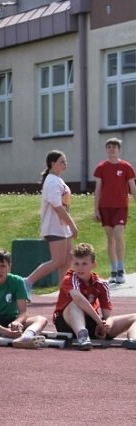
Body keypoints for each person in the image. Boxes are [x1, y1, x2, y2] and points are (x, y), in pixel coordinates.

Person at [52, 243, 136, 351]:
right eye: (76, 263)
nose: (80, 268)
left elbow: (107, 315)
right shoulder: (70, 278)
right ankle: (82, 335)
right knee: (74, 304)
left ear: (94, 264)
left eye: (84, 264)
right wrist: (98, 321)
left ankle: (133, 340)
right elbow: (78, 298)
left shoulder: (101, 283)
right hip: (67, 323)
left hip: (93, 323)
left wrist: (106, 325)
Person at [24, 150, 79, 296]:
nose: (65, 164)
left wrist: (68, 225)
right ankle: (27, 282)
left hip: (62, 227)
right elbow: (58, 207)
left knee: (68, 260)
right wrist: (72, 225)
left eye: (65, 161)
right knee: (58, 261)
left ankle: (64, 291)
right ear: (52, 163)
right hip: (54, 227)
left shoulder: (58, 180)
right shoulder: (52, 181)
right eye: (62, 161)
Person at [93, 137, 136, 284]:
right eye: (109, 147)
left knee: (119, 235)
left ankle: (121, 269)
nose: (111, 149)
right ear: (106, 150)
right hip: (105, 207)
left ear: (119, 150)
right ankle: (113, 270)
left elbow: (133, 187)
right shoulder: (101, 167)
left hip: (120, 207)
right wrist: (96, 210)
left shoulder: (126, 167)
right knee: (110, 238)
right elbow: (98, 190)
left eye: (114, 147)